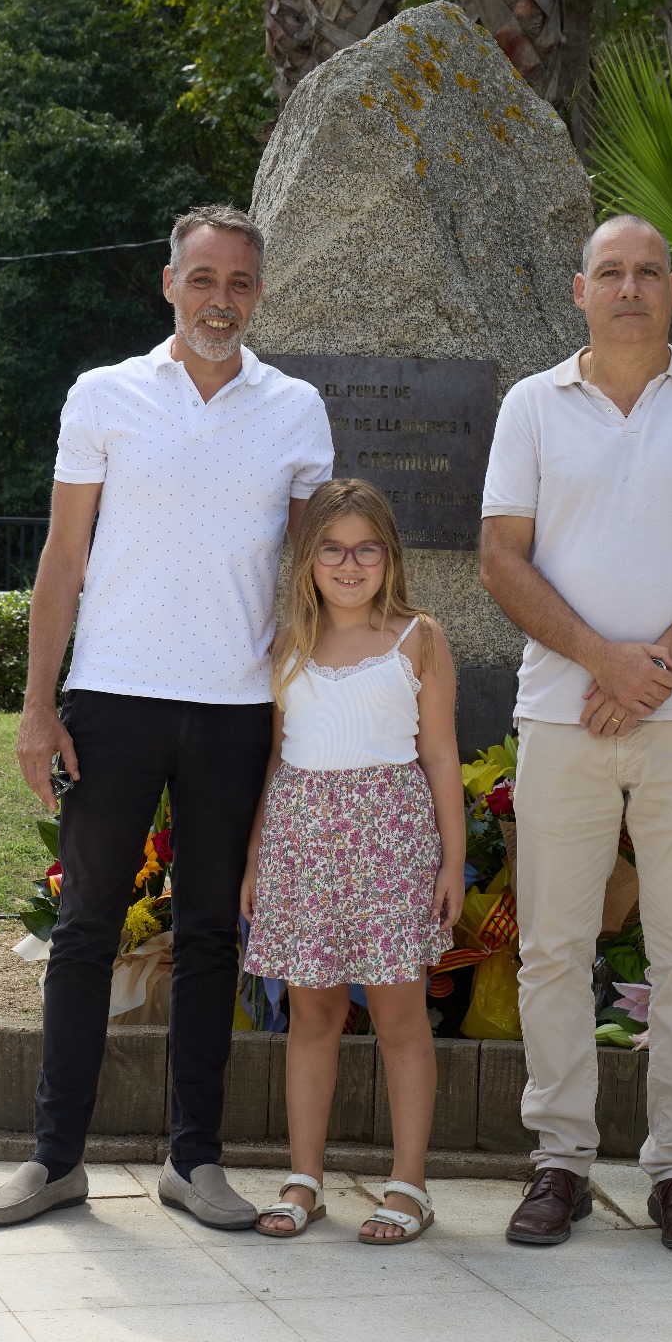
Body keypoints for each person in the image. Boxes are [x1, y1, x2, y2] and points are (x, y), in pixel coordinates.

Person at [0, 203, 334, 1228]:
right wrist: (38, 709)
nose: (222, 301)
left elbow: (306, 573)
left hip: (232, 712)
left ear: (259, 294)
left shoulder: (296, 408)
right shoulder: (105, 395)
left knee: (212, 934)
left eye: (241, 284)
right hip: (112, 700)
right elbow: (63, 560)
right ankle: (54, 1162)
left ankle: (196, 1164)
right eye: (204, 279)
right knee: (85, 929)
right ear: (167, 282)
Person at [480, 214, 672, 1251]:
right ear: (579, 290)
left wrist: (651, 670)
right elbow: (500, 559)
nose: (629, 287)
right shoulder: (530, 406)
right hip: (562, 716)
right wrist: (603, 662)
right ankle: (557, 1161)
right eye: (610, 271)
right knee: (553, 946)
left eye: (648, 271)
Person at [240, 478, 464, 1243]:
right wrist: (254, 859)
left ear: (388, 556)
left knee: (400, 1013)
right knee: (313, 1013)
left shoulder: (418, 638)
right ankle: (305, 1177)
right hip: (303, 843)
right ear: (307, 560)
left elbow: (439, 756)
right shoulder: (288, 644)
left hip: (392, 843)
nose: (349, 563)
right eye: (331, 548)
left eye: (366, 548)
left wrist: (449, 861)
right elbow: (272, 761)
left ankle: (409, 1185)